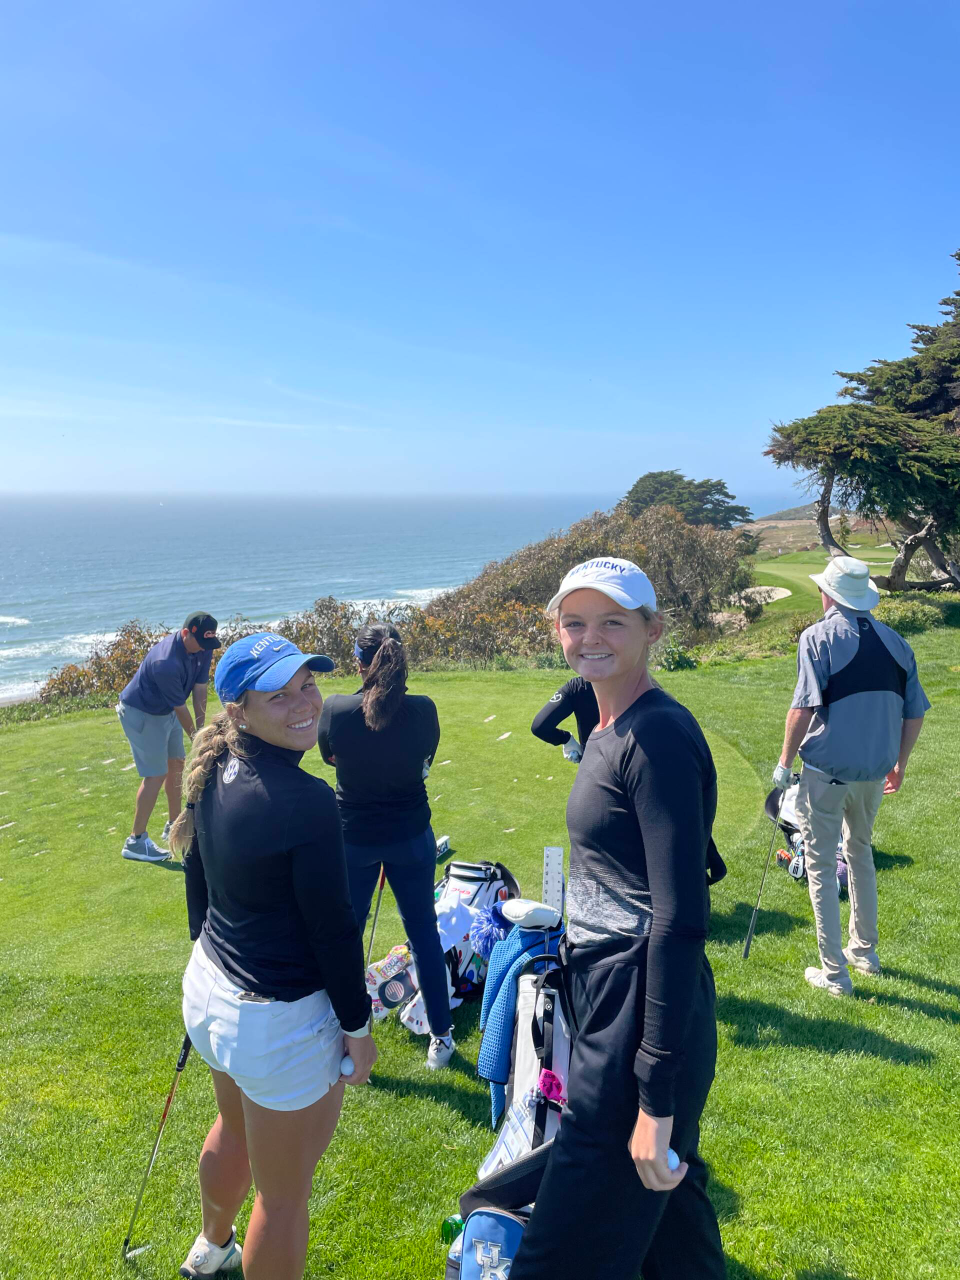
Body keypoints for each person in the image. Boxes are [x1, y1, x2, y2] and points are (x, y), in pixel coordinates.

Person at [510, 557, 726, 1280]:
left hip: (641, 1012)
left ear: (653, 629)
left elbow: (680, 921)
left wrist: (654, 1094)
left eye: (612, 622)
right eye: (575, 623)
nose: (589, 637)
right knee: (670, 1213)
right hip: (610, 996)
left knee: (559, 1251)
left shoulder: (655, 736)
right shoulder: (608, 723)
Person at [168, 632, 376, 1280]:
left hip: (211, 992)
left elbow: (197, 893)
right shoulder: (309, 801)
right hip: (272, 1024)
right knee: (284, 1197)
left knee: (233, 1129)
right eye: (278, 695)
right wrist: (359, 1030)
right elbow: (334, 929)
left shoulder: (212, 769)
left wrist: (212, 972)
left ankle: (211, 1248)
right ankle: (218, 1248)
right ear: (238, 710)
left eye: (308, 685)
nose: (302, 704)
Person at [773, 556, 929, 996]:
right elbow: (913, 713)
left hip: (826, 772)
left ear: (829, 594)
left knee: (822, 864)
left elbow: (803, 706)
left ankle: (835, 974)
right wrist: (900, 762)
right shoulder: (897, 643)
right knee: (860, 853)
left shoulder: (816, 637)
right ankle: (865, 954)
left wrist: (784, 765)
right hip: (873, 773)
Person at [317, 622, 454, 1070]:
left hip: (354, 839)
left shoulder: (336, 709)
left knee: (347, 934)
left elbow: (330, 756)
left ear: (360, 663)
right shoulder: (424, 710)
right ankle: (442, 1038)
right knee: (423, 937)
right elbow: (424, 758)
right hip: (411, 837)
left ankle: (341, 1033)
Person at [116, 611, 220, 863]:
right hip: (141, 712)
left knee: (176, 764)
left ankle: (174, 826)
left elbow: (200, 691)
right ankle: (136, 841)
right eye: (201, 643)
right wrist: (197, 738)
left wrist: (201, 729)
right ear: (186, 634)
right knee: (156, 773)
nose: (204, 649)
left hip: (166, 710)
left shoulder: (203, 647)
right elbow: (180, 707)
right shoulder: (166, 662)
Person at [530, 676, 599, 763]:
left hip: (592, 767)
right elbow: (539, 727)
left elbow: (540, 727)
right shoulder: (575, 687)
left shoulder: (576, 686)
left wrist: (566, 739)